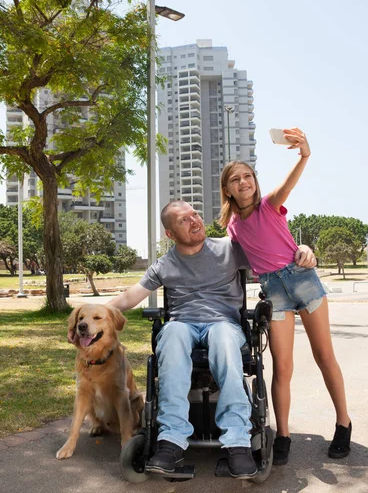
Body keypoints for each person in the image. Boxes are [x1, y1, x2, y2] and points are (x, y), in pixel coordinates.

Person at [107, 199, 316, 478]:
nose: (194, 221)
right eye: (183, 220)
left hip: (223, 323)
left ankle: (238, 441)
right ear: (170, 234)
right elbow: (130, 296)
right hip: (183, 324)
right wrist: (91, 314)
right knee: (171, 334)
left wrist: (301, 250)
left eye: (195, 214)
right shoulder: (164, 264)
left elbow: (273, 254)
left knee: (223, 338)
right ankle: (170, 440)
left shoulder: (228, 248)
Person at [219, 127, 351, 466]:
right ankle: (284, 435)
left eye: (248, 176)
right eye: (236, 179)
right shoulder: (233, 228)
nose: (244, 182)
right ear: (228, 189)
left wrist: (305, 153)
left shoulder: (269, 204)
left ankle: (343, 423)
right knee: (282, 367)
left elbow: (289, 184)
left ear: (255, 182)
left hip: (303, 280)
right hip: (275, 293)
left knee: (324, 357)